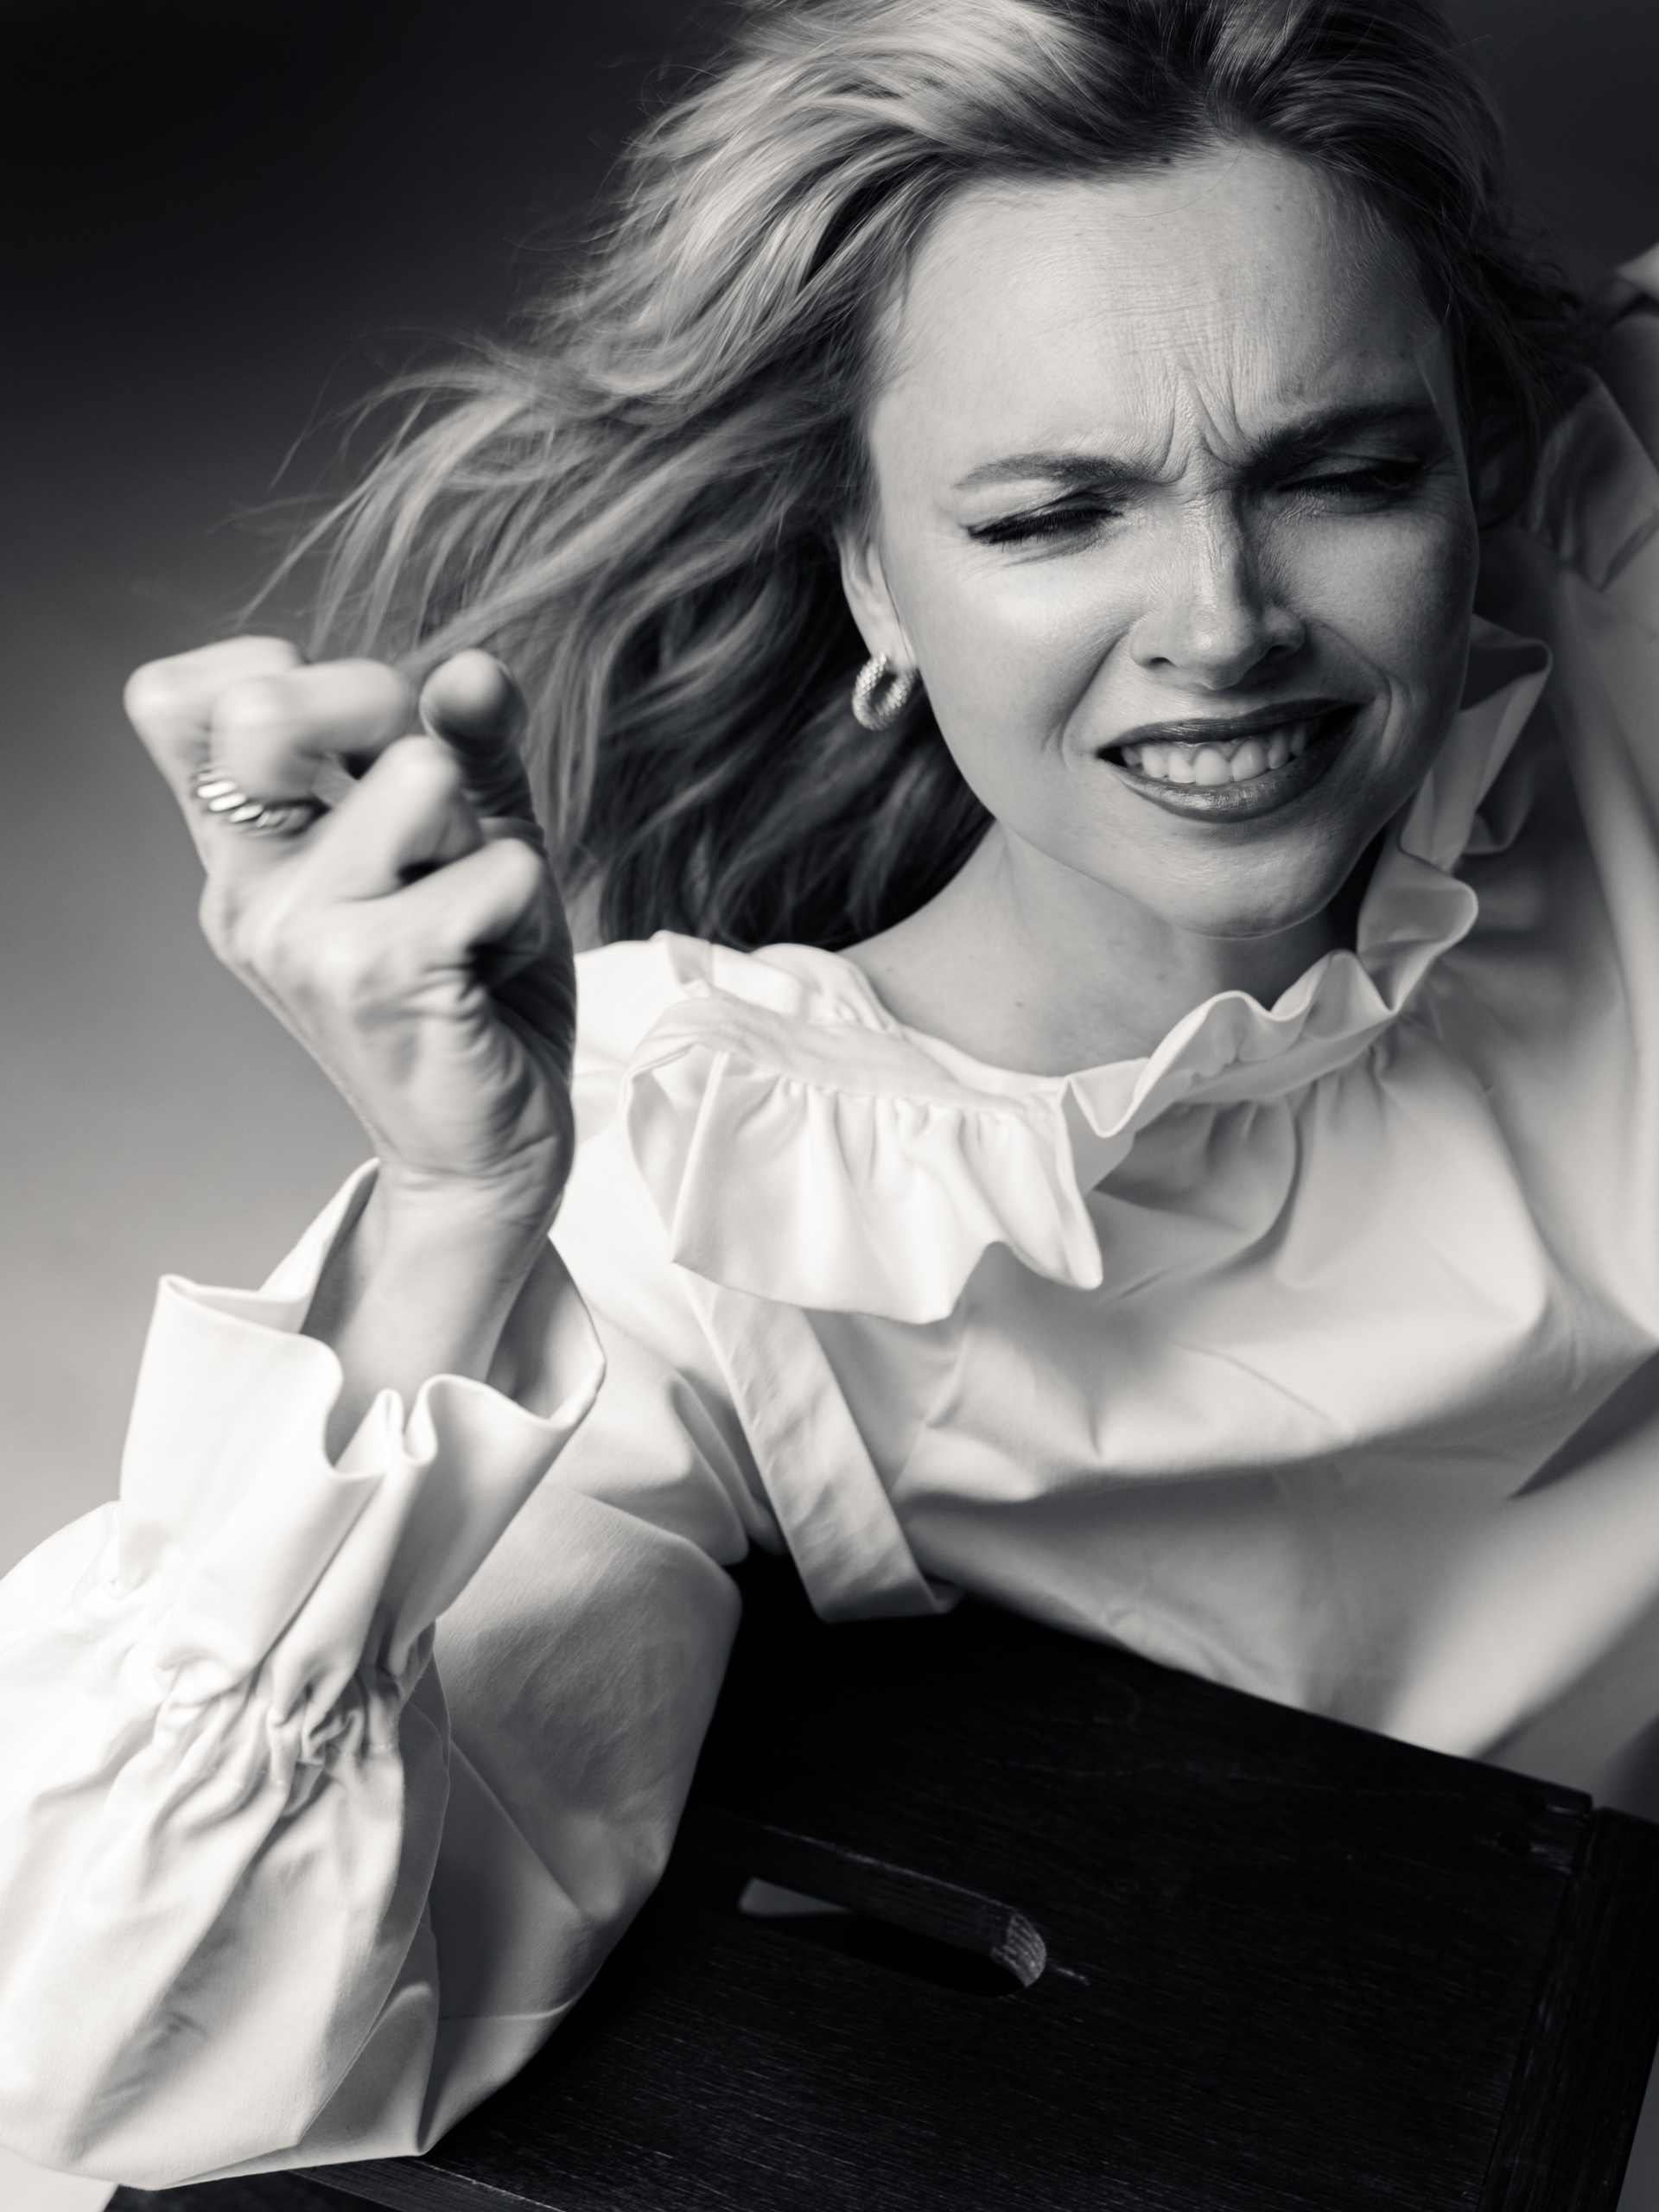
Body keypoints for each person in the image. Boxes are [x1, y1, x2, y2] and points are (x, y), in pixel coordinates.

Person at [3, 0, 1657, 2194]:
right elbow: (84, 2054)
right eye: (1053, 514)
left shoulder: (1616, 631)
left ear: (1475, 461)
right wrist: (452, 1213)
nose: (1224, 623)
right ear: (874, 575)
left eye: (1343, 474)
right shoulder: (723, 1182)